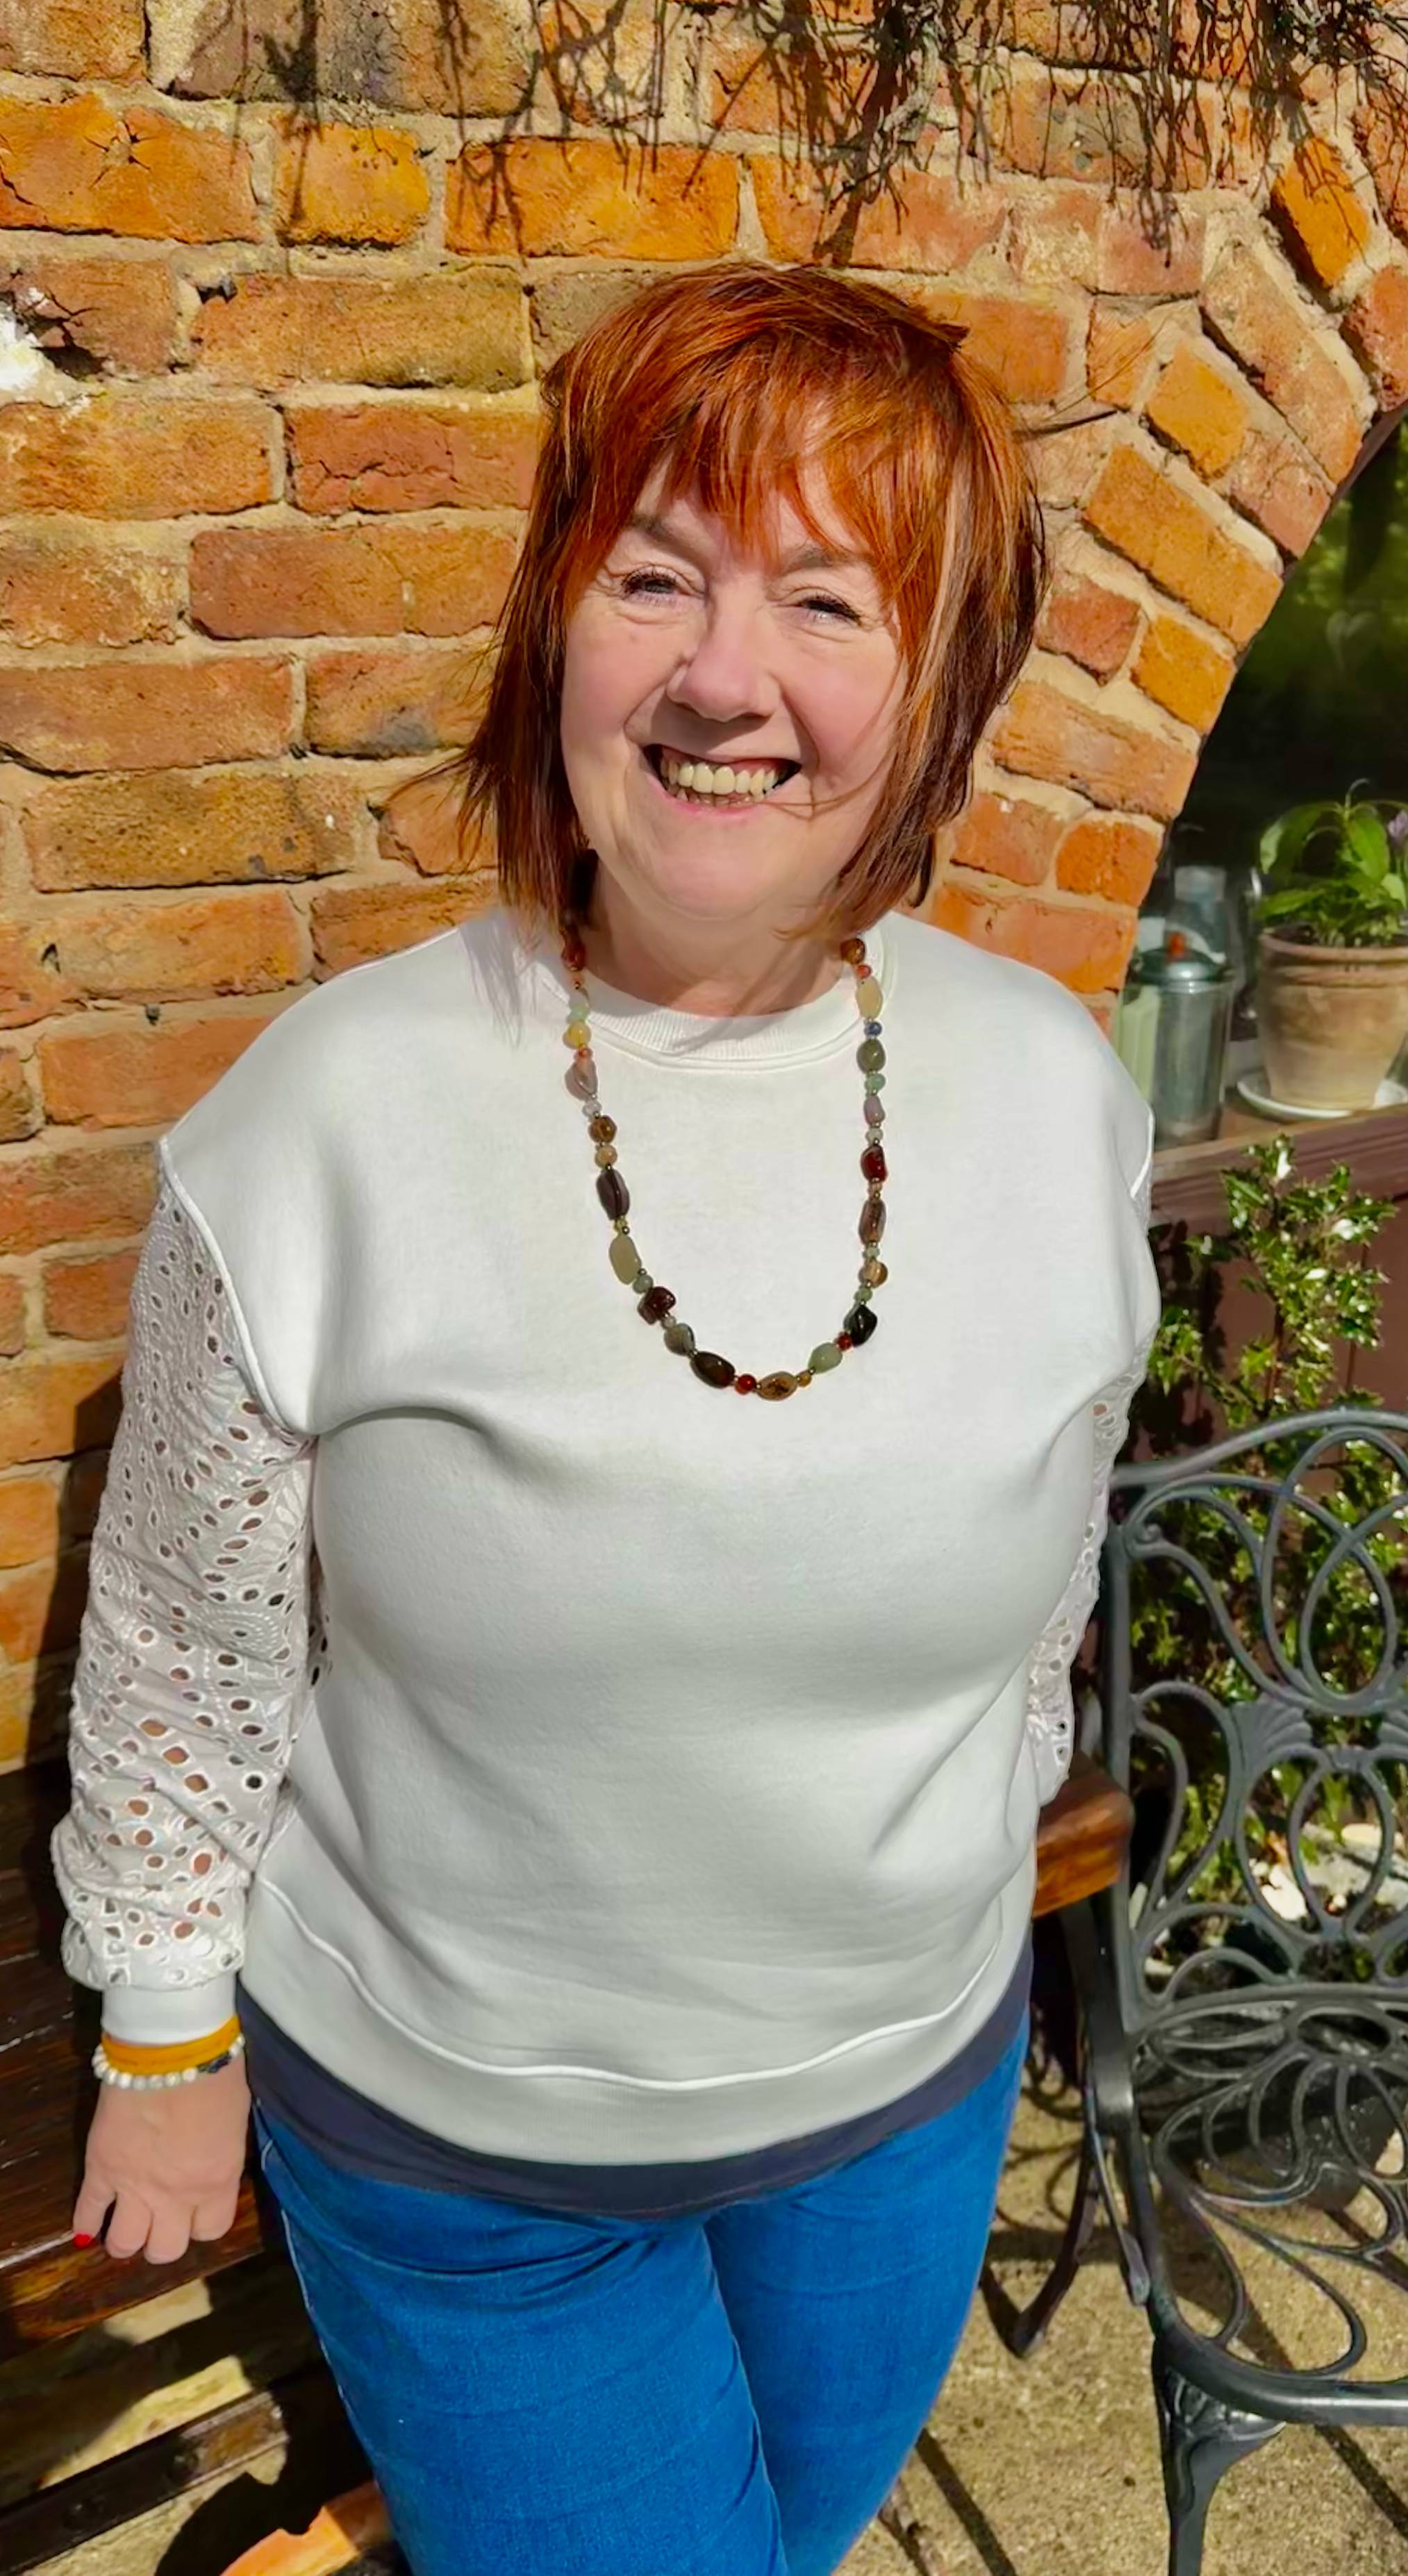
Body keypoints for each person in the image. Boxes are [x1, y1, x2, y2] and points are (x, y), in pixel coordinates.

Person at [50, 259, 1161, 2576]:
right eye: (656, 574)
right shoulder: (325, 1126)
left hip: (902, 2104)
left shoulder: (1056, 1094)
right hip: (469, 2163)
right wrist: (166, 2039)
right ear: (556, 625)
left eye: (827, 602)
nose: (724, 678)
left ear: (937, 691)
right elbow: (183, 1639)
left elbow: (1059, 1525)